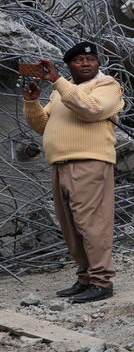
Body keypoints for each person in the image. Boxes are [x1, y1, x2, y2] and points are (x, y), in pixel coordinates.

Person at [22, 42, 124, 303]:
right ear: (69, 65)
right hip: (60, 165)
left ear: (98, 63)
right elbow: (42, 126)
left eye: (91, 59)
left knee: (92, 224)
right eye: (79, 60)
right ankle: (85, 277)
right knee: (70, 226)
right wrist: (32, 103)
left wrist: (57, 81)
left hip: (89, 163)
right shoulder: (61, 93)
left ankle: (102, 281)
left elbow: (92, 110)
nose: (86, 63)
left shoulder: (107, 86)